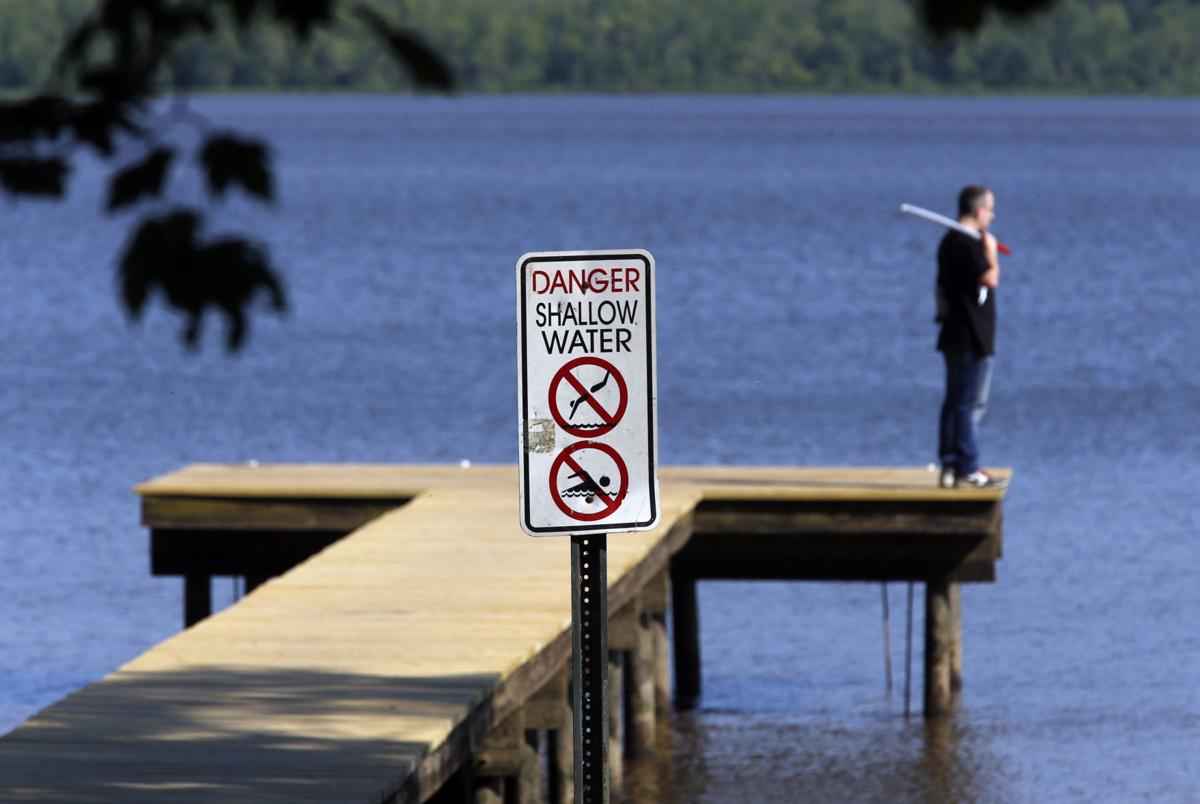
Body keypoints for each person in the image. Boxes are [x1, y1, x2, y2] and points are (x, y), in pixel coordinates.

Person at [936, 185, 1007, 488]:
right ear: (979, 211)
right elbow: (990, 277)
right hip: (971, 335)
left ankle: (951, 464)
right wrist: (990, 249)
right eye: (990, 210)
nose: (992, 216)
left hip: (955, 332)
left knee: (955, 401)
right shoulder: (967, 244)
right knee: (969, 403)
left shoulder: (950, 241)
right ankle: (968, 467)